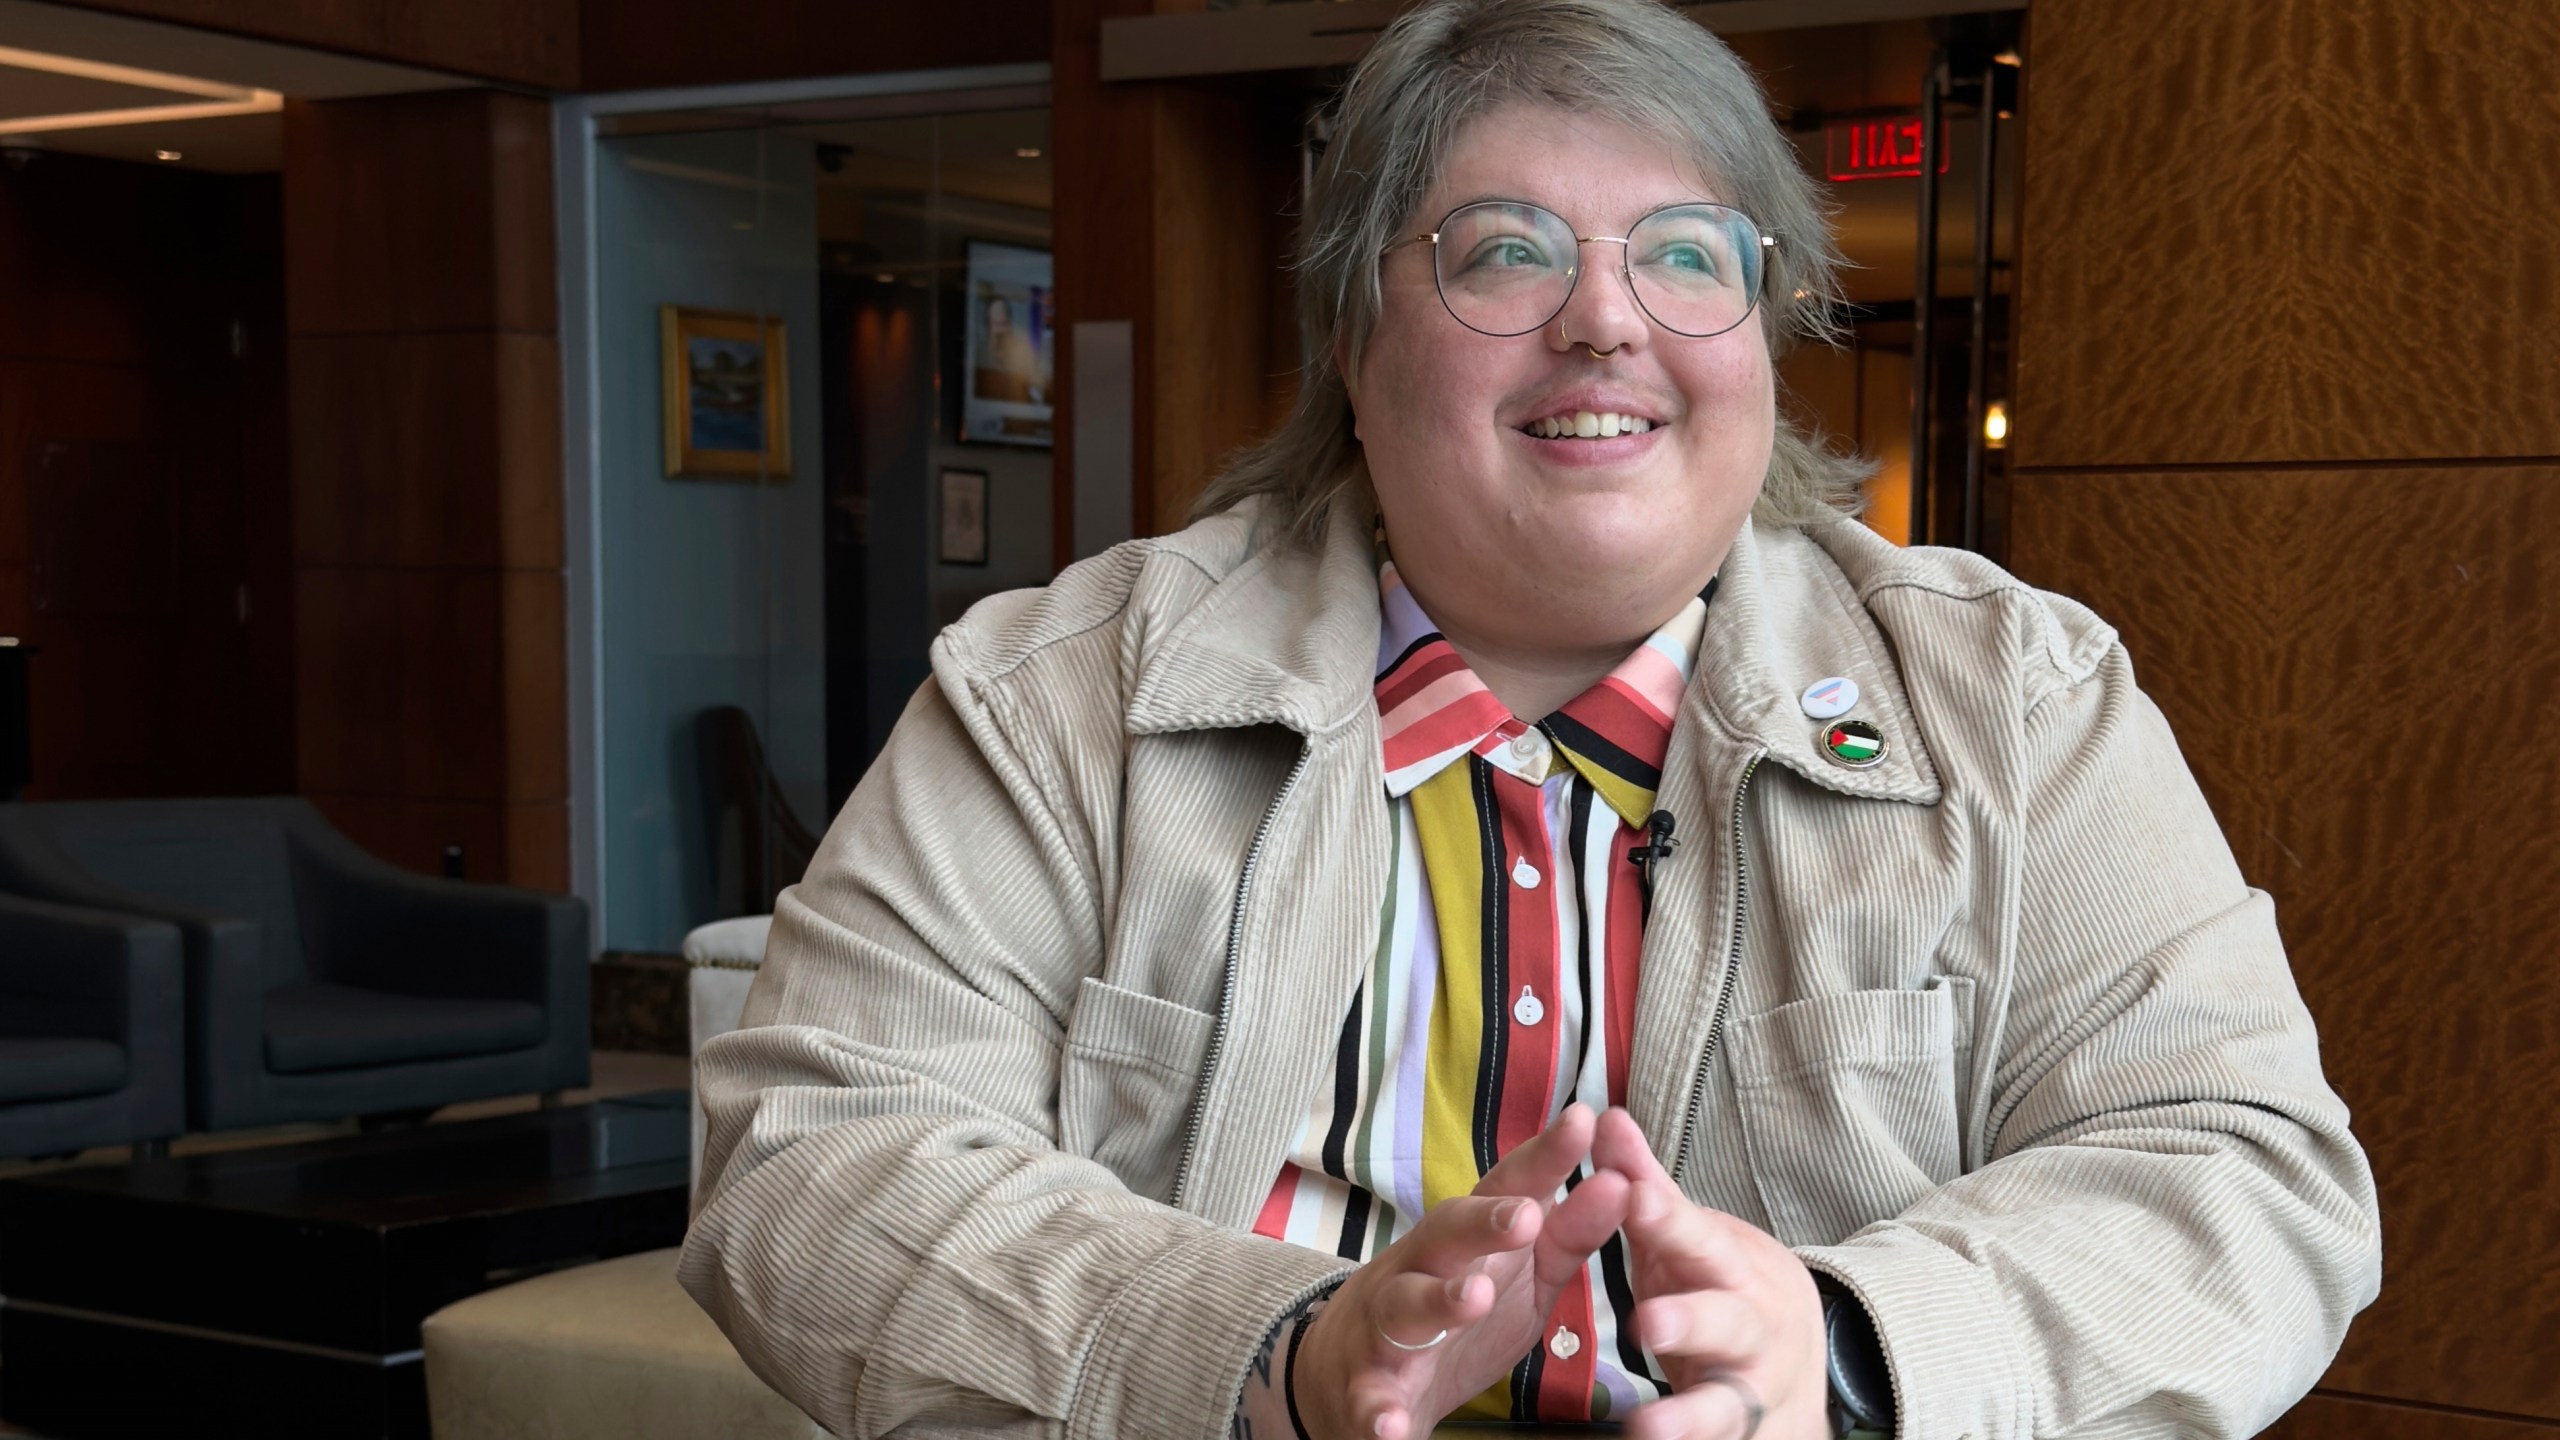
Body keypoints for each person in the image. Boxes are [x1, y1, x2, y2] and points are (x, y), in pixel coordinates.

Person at [682, 0, 2381, 1436]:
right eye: (1505, 253)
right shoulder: (1060, 692)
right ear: (1351, 337)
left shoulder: (2015, 699)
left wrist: (1854, 1353)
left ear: (1765, 340)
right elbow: (814, 1164)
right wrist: (1267, 1356)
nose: (1605, 319)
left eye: (1686, 256)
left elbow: (2242, 1170)